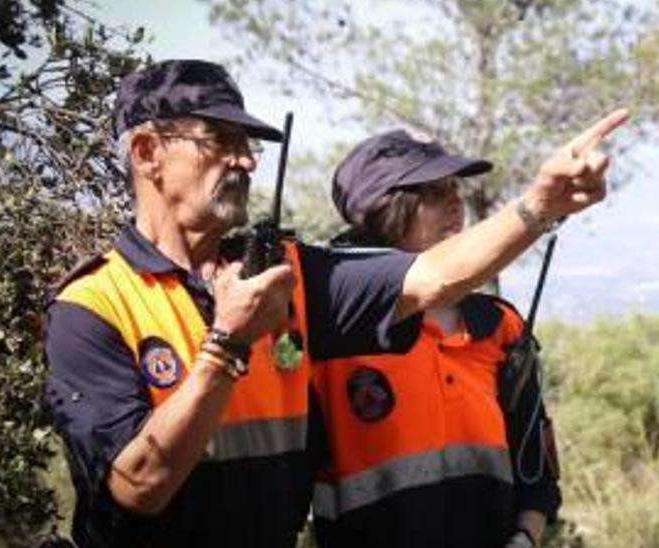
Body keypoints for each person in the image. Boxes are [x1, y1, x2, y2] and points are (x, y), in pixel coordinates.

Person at [42, 58, 627, 548]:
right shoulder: (91, 305)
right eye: (220, 140)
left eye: (249, 145)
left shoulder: (288, 274)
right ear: (147, 153)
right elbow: (138, 486)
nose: (245, 159)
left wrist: (539, 206)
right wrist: (227, 345)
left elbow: (432, 277)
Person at [309, 131, 561, 548]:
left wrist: (525, 538)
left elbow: (537, 476)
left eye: (455, 189)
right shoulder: (331, 335)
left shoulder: (500, 328)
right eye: (433, 192)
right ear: (383, 208)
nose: (455, 204)